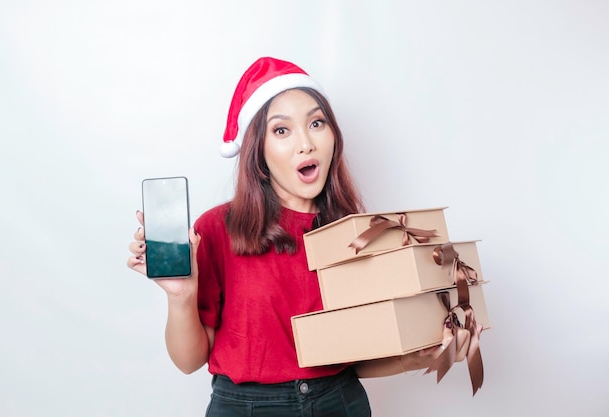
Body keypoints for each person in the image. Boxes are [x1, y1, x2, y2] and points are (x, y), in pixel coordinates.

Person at [127, 57, 443, 417]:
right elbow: (188, 362)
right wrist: (181, 297)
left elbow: (351, 359)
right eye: (282, 130)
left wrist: (413, 356)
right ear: (257, 150)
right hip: (246, 408)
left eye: (316, 122)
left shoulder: (355, 233)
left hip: (339, 401)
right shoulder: (216, 229)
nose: (306, 143)